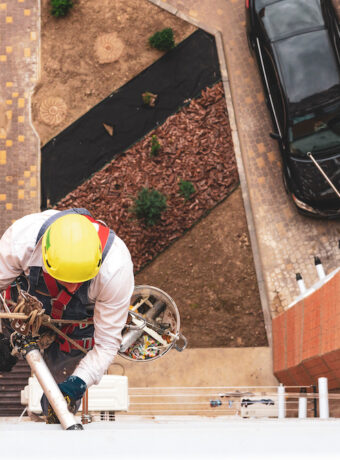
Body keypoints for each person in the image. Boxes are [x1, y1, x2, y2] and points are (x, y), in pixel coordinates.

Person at [0, 207, 134, 418]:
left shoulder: (115, 269)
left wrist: (77, 383)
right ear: (46, 258)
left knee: (57, 408)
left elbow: (107, 344)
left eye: (79, 280)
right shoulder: (21, 241)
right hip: (21, 309)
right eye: (66, 279)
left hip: (74, 329)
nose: (73, 287)